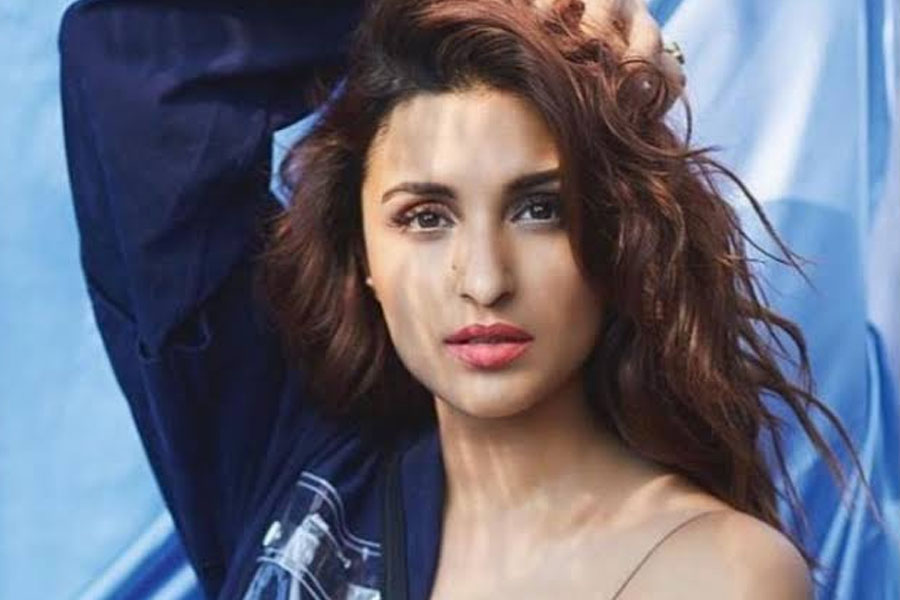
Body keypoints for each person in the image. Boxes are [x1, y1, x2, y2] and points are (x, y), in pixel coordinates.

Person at [59, 0, 857, 598]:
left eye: (540, 209)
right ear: (361, 251)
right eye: (425, 217)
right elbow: (129, 58)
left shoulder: (713, 574)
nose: (483, 278)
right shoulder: (298, 464)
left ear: (618, 237)